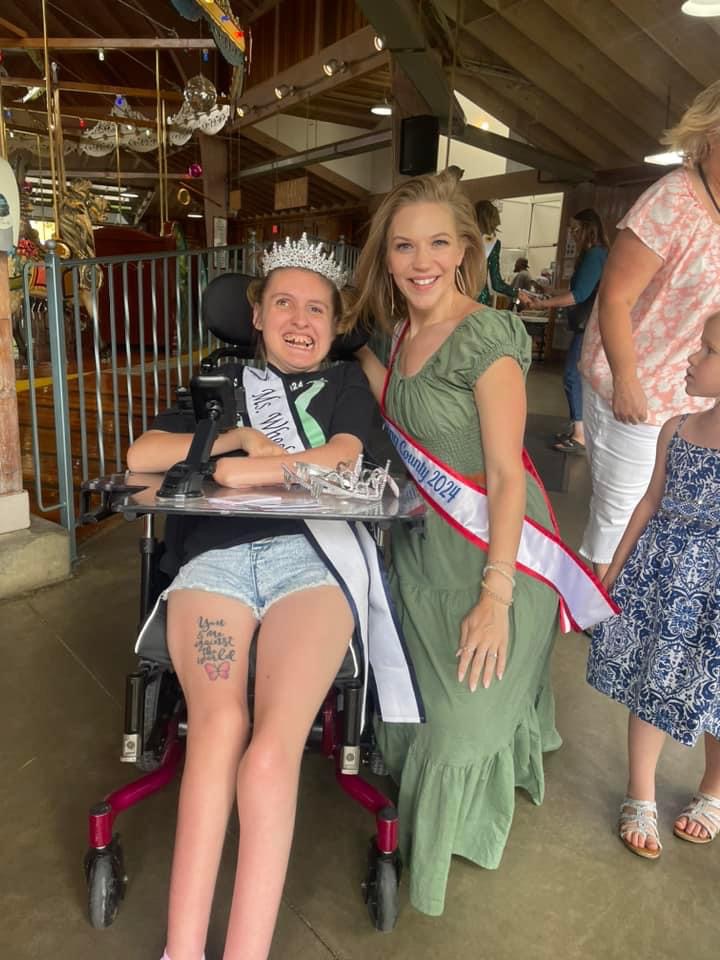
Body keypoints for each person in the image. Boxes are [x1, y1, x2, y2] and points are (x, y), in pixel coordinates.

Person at [126, 237, 419, 960]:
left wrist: (262, 468)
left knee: (268, 755)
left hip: (312, 567)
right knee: (218, 730)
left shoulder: (347, 382)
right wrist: (230, 441)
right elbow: (140, 456)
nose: (300, 318)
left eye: (317, 307)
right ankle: (182, 950)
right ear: (254, 315)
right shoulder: (218, 380)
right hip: (215, 565)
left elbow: (350, 454)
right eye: (283, 301)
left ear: (334, 323)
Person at [349, 168, 612, 916]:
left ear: (466, 248)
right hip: (423, 548)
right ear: (387, 256)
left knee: (457, 732)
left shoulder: (487, 335)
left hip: (497, 552)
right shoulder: (398, 334)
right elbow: (372, 392)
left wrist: (495, 597)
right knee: (416, 712)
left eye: (438, 241)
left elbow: (502, 474)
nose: (419, 259)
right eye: (403, 246)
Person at [587, 311, 720, 860]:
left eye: (708, 351)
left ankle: (713, 790)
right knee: (653, 681)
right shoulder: (678, 428)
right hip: (663, 581)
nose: (692, 358)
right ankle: (640, 791)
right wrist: (614, 569)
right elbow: (649, 502)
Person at [578, 79, 720, 578]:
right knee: (622, 511)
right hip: (638, 387)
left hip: (695, 394)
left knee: (666, 512)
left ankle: (632, 609)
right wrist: (627, 381)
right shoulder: (673, 199)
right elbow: (614, 297)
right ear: (708, 133)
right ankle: (597, 618)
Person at [520, 209, 609, 454]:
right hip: (590, 325)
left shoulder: (594, 255)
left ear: (587, 229)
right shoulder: (597, 255)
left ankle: (580, 434)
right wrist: (547, 290)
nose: (571, 234)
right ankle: (578, 429)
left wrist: (541, 303)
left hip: (589, 327)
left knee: (572, 376)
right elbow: (578, 289)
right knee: (578, 377)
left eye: (575, 229)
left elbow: (578, 295)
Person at [474, 199, 516, 305]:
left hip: (456, 300)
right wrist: (517, 293)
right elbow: (497, 284)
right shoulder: (492, 243)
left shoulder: (459, 239)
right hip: (479, 300)